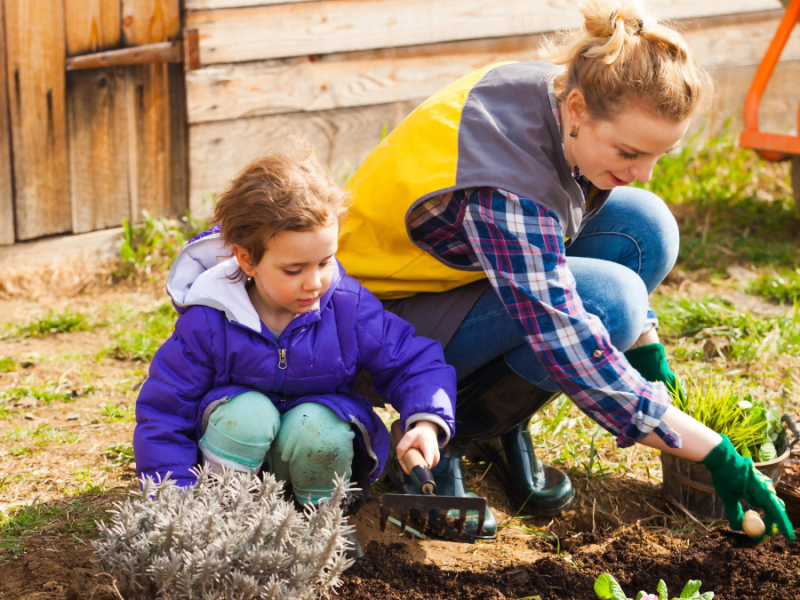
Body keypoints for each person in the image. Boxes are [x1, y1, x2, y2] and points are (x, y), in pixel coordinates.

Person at [338, 0, 796, 541]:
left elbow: (563, 231)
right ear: (578, 110)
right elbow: (572, 347)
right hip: (368, 322)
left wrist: (647, 345)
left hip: (457, 271)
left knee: (647, 225)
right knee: (611, 303)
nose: (641, 172)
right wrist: (717, 453)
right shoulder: (508, 188)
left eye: (658, 155)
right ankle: (443, 434)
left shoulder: (564, 94)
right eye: (629, 151)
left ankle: (503, 424)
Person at [133, 146, 457, 558]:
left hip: (316, 459)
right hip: (234, 461)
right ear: (246, 259)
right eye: (294, 270)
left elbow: (412, 359)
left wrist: (426, 421)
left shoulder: (346, 307)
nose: (315, 283)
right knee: (247, 415)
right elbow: (165, 412)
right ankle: (224, 517)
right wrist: (174, 502)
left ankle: (321, 520)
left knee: (316, 423)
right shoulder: (209, 322)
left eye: (325, 261)